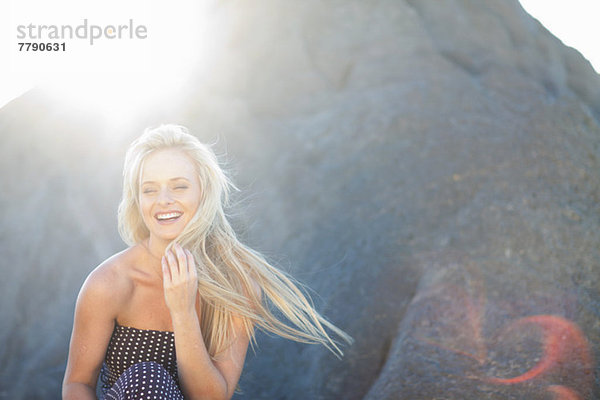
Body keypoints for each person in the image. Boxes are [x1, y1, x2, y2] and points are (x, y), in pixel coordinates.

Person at [62, 124, 352, 399]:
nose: (163, 200)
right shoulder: (109, 283)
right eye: (149, 189)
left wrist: (183, 310)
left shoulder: (237, 283)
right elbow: (77, 383)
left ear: (204, 192)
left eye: (179, 187)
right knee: (148, 378)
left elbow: (211, 397)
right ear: (137, 199)